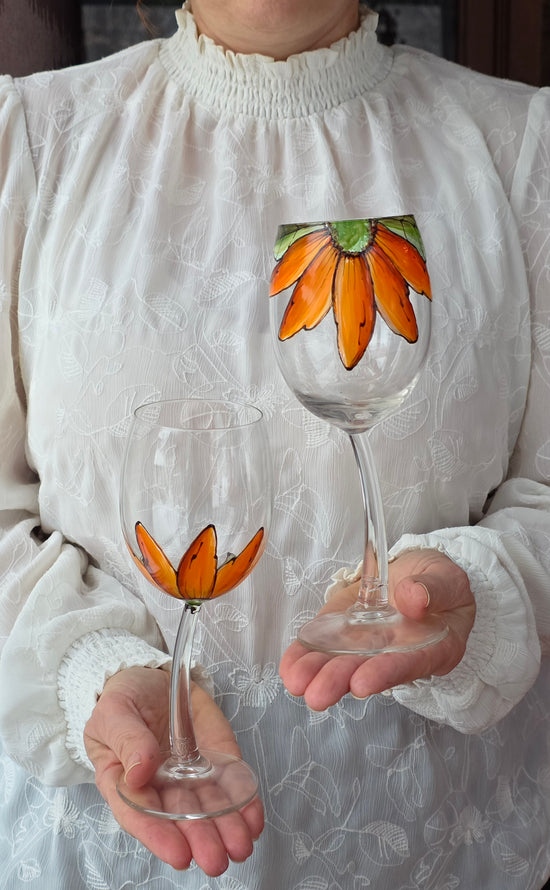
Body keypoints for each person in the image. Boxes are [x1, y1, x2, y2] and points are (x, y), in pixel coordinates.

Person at [0, 1, 549, 887]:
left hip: (440, 849)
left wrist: (480, 595)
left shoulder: (523, 150)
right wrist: (90, 668)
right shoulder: (25, 143)